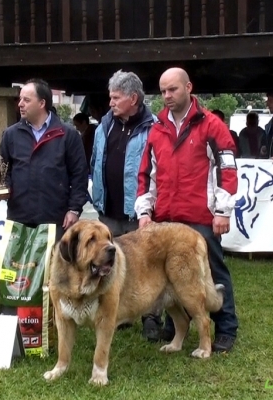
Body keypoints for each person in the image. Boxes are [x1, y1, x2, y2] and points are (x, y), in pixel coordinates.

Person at [135, 67, 239, 353]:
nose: (167, 95)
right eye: (163, 90)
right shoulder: (156, 129)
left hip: (202, 217)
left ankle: (226, 328)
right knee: (169, 275)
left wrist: (223, 211)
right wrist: (144, 212)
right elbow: (146, 175)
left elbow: (227, 169)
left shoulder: (212, 125)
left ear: (188, 87)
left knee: (214, 272)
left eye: (173, 89)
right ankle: (175, 326)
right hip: (165, 218)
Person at [89, 70, 158, 340]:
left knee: (145, 264)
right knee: (111, 263)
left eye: (116, 97)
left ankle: (151, 316)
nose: (111, 103)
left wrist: (149, 208)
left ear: (133, 98)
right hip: (108, 209)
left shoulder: (154, 127)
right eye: (110, 97)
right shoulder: (104, 124)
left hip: (138, 211)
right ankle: (118, 311)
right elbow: (96, 159)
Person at [0, 78, 88, 242]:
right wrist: (3, 188)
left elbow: (79, 175)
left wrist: (74, 209)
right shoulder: (10, 134)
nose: (20, 104)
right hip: (19, 219)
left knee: (52, 267)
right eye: (20, 99)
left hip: (55, 221)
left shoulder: (68, 135)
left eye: (26, 100)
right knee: (15, 267)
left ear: (42, 103)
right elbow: (3, 170)